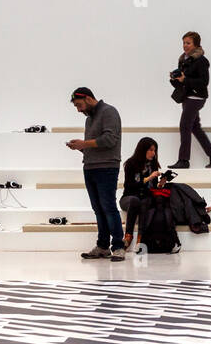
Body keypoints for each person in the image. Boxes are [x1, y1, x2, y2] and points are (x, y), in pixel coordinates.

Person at [67, 86, 126, 261]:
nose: (78, 110)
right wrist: (80, 147)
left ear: (87, 98)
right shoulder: (89, 119)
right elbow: (95, 145)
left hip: (107, 167)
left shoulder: (109, 112)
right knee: (98, 209)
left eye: (79, 105)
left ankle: (118, 246)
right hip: (90, 167)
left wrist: (84, 144)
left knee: (108, 207)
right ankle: (102, 246)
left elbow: (109, 139)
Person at [169, 31, 211, 170]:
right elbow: (182, 83)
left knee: (185, 125)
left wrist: (185, 79)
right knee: (194, 127)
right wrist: (175, 79)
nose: (185, 46)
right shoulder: (183, 60)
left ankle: (184, 160)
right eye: (184, 43)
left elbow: (204, 82)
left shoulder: (201, 61)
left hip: (197, 97)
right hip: (188, 97)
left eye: (188, 43)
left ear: (196, 44)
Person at [121, 137, 167, 252]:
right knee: (135, 201)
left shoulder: (153, 165)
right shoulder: (131, 163)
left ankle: (140, 239)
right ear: (143, 150)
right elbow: (130, 185)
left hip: (145, 198)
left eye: (154, 150)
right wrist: (149, 177)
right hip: (128, 197)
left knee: (146, 201)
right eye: (150, 150)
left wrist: (161, 184)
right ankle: (128, 236)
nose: (153, 153)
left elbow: (153, 188)